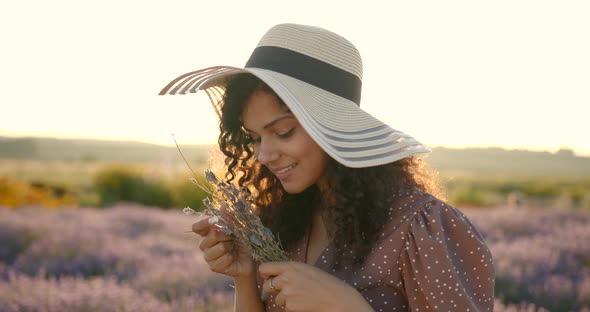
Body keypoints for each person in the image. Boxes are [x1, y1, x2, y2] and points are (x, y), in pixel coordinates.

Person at [160, 23, 495, 312]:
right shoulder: (283, 220)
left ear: (335, 126)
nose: (263, 156)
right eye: (255, 138)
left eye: (283, 132)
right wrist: (245, 277)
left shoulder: (419, 228)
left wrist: (348, 306)